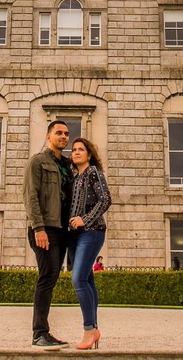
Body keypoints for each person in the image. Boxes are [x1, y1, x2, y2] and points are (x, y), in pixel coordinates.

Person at [24, 120, 73, 350]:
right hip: (45, 228)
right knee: (47, 276)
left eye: (66, 134)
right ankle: (39, 334)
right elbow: (30, 196)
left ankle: (45, 332)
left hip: (62, 229)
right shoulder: (38, 161)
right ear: (48, 136)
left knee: (52, 277)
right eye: (59, 133)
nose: (64, 137)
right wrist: (38, 228)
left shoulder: (67, 165)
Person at [67, 137, 112, 351]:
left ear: (89, 154)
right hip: (74, 236)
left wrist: (85, 219)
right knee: (87, 280)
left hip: (92, 232)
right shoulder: (74, 177)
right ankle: (95, 328)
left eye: (81, 149)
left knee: (78, 279)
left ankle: (88, 330)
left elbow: (106, 200)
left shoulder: (94, 173)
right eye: (74, 149)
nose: (76, 152)